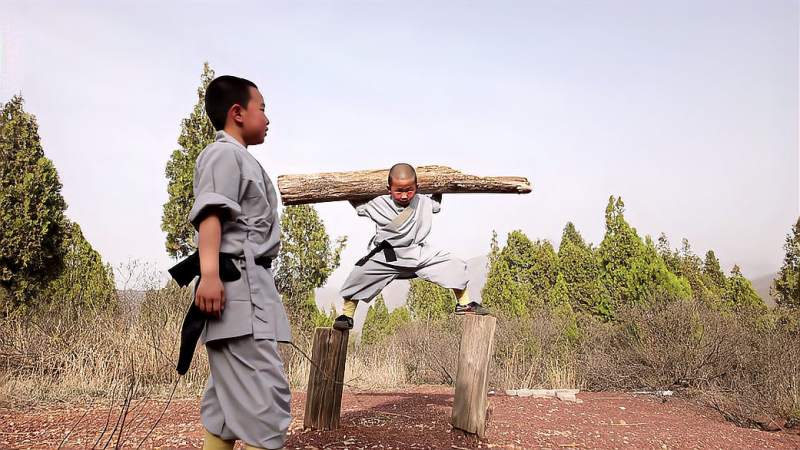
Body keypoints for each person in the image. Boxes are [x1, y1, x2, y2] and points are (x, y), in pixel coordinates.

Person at [190, 75, 291, 450]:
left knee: (224, 404)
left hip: (250, 286)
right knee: (267, 396)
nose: (267, 118)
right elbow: (211, 215)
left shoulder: (240, 158)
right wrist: (210, 275)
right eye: (261, 108)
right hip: (238, 289)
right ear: (237, 112)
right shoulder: (223, 154)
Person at [334, 163, 488, 330]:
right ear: (388, 188)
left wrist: (440, 185)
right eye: (399, 191)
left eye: (410, 190)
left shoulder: (423, 202)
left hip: (419, 254)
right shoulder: (378, 204)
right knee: (358, 274)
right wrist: (347, 187)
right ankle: (347, 315)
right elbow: (358, 203)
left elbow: (435, 203)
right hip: (388, 256)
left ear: (417, 187)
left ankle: (464, 304)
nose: (405, 195)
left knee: (453, 264)